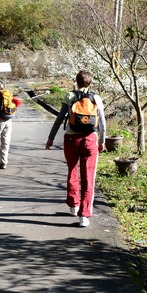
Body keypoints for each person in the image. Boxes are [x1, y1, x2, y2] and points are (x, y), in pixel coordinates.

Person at [45, 70, 106, 227]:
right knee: (88, 177)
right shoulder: (96, 98)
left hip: (71, 139)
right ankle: (84, 215)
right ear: (90, 83)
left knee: (72, 171)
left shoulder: (69, 96)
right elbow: (102, 123)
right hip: (90, 139)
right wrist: (102, 141)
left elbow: (59, 119)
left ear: (77, 82)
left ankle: (74, 205)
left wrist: (51, 138)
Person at [0, 80, 22, 169]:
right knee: (5, 142)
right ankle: (3, 162)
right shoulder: (8, 95)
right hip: (8, 120)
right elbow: (18, 102)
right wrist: (10, 111)